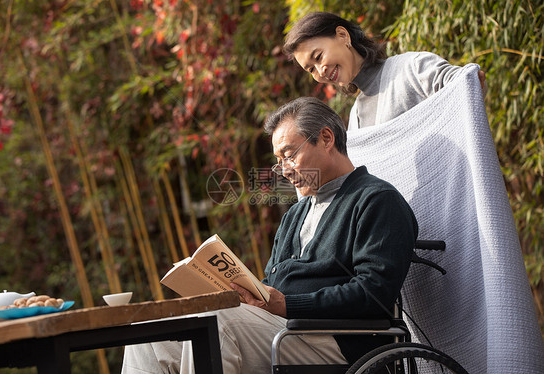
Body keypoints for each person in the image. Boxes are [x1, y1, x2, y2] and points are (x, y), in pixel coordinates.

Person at [121, 97, 418, 373]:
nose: (284, 170)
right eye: (279, 161)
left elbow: (374, 293)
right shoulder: (295, 215)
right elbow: (273, 286)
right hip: (283, 329)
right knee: (151, 334)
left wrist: (286, 305)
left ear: (326, 138)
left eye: (289, 155)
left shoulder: (376, 200)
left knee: (216, 323)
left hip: (340, 341)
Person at [283, 11, 487, 130]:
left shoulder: (411, 68)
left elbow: (467, 84)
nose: (321, 71)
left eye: (318, 57)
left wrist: (468, 81)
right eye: (311, 69)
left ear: (342, 36)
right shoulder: (356, 119)